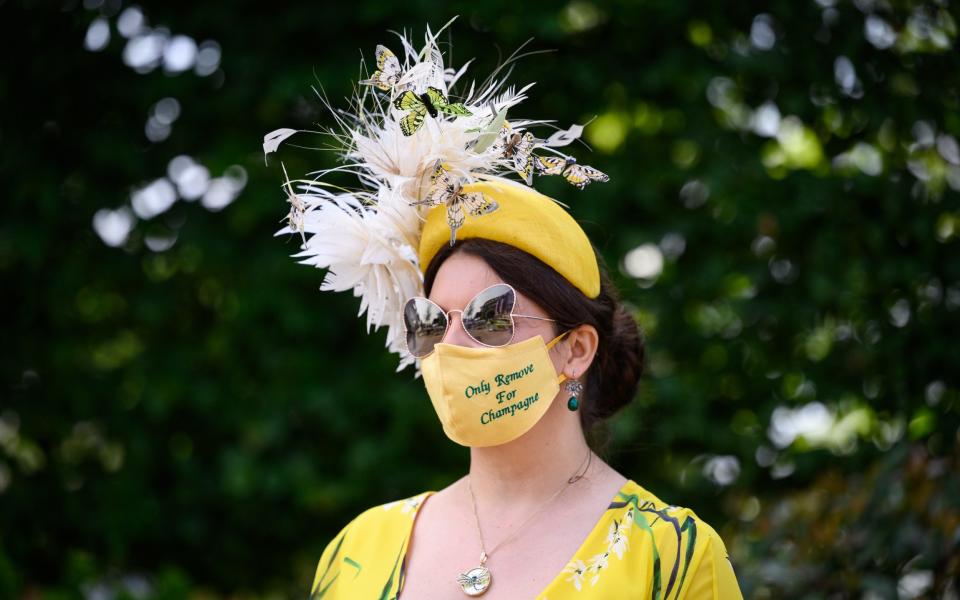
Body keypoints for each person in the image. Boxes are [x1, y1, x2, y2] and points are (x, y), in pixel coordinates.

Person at [268, 21, 744, 600]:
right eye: (429, 322)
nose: (451, 346)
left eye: (490, 316)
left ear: (576, 349)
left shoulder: (671, 556)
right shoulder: (357, 551)